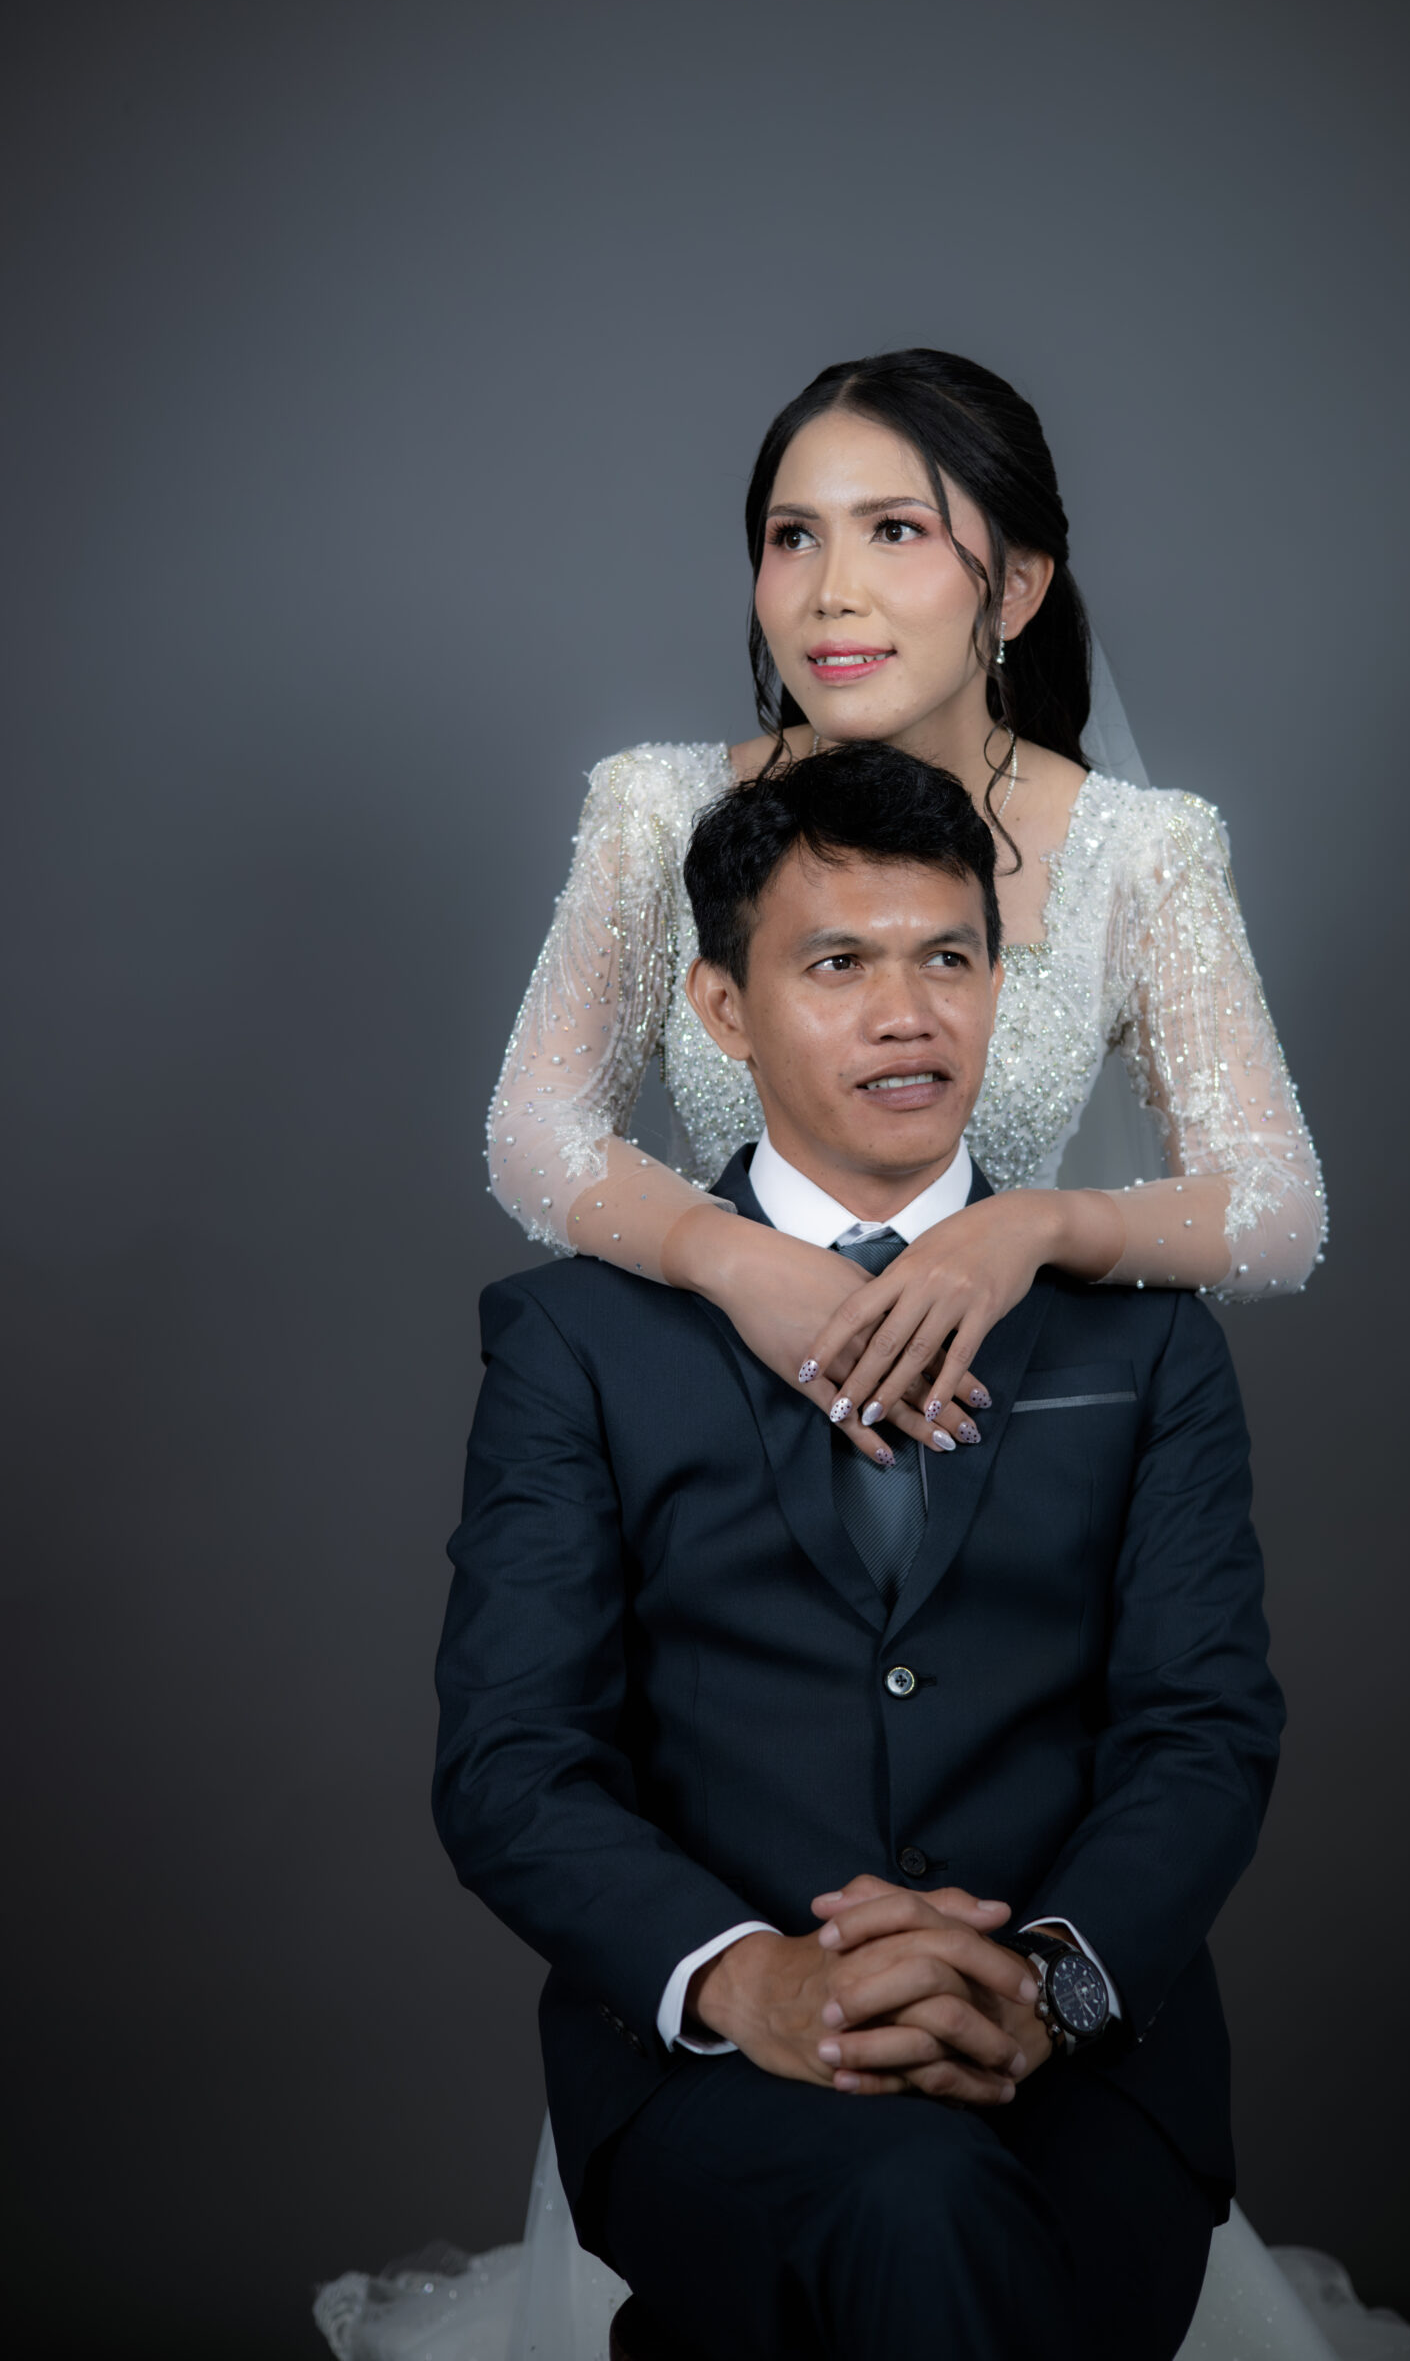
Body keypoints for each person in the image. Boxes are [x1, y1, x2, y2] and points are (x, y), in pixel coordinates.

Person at [434, 744, 1285, 2361]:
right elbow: (510, 1764)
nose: (908, 1015)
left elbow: (1203, 1734)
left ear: (996, 987)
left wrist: (1042, 1986)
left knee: (965, 2244)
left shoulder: (1147, 1344)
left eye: (946, 960)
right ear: (720, 1007)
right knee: (916, 2217)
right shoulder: (578, 1344)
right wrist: (750, 1981)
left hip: (1079, 2057)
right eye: (837, 965)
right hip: (721, 2063)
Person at [486, 348, 1326, 1494]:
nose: (832, 590)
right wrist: (730, 1259)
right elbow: (535, 1127)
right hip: (716, 1417)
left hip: (1003, 1433)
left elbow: (1277, 1207)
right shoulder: (658, 809)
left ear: (1015, 586)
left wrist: (1028, 1230)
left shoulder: (1141, 851)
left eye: (894, 530)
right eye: (794, 536)